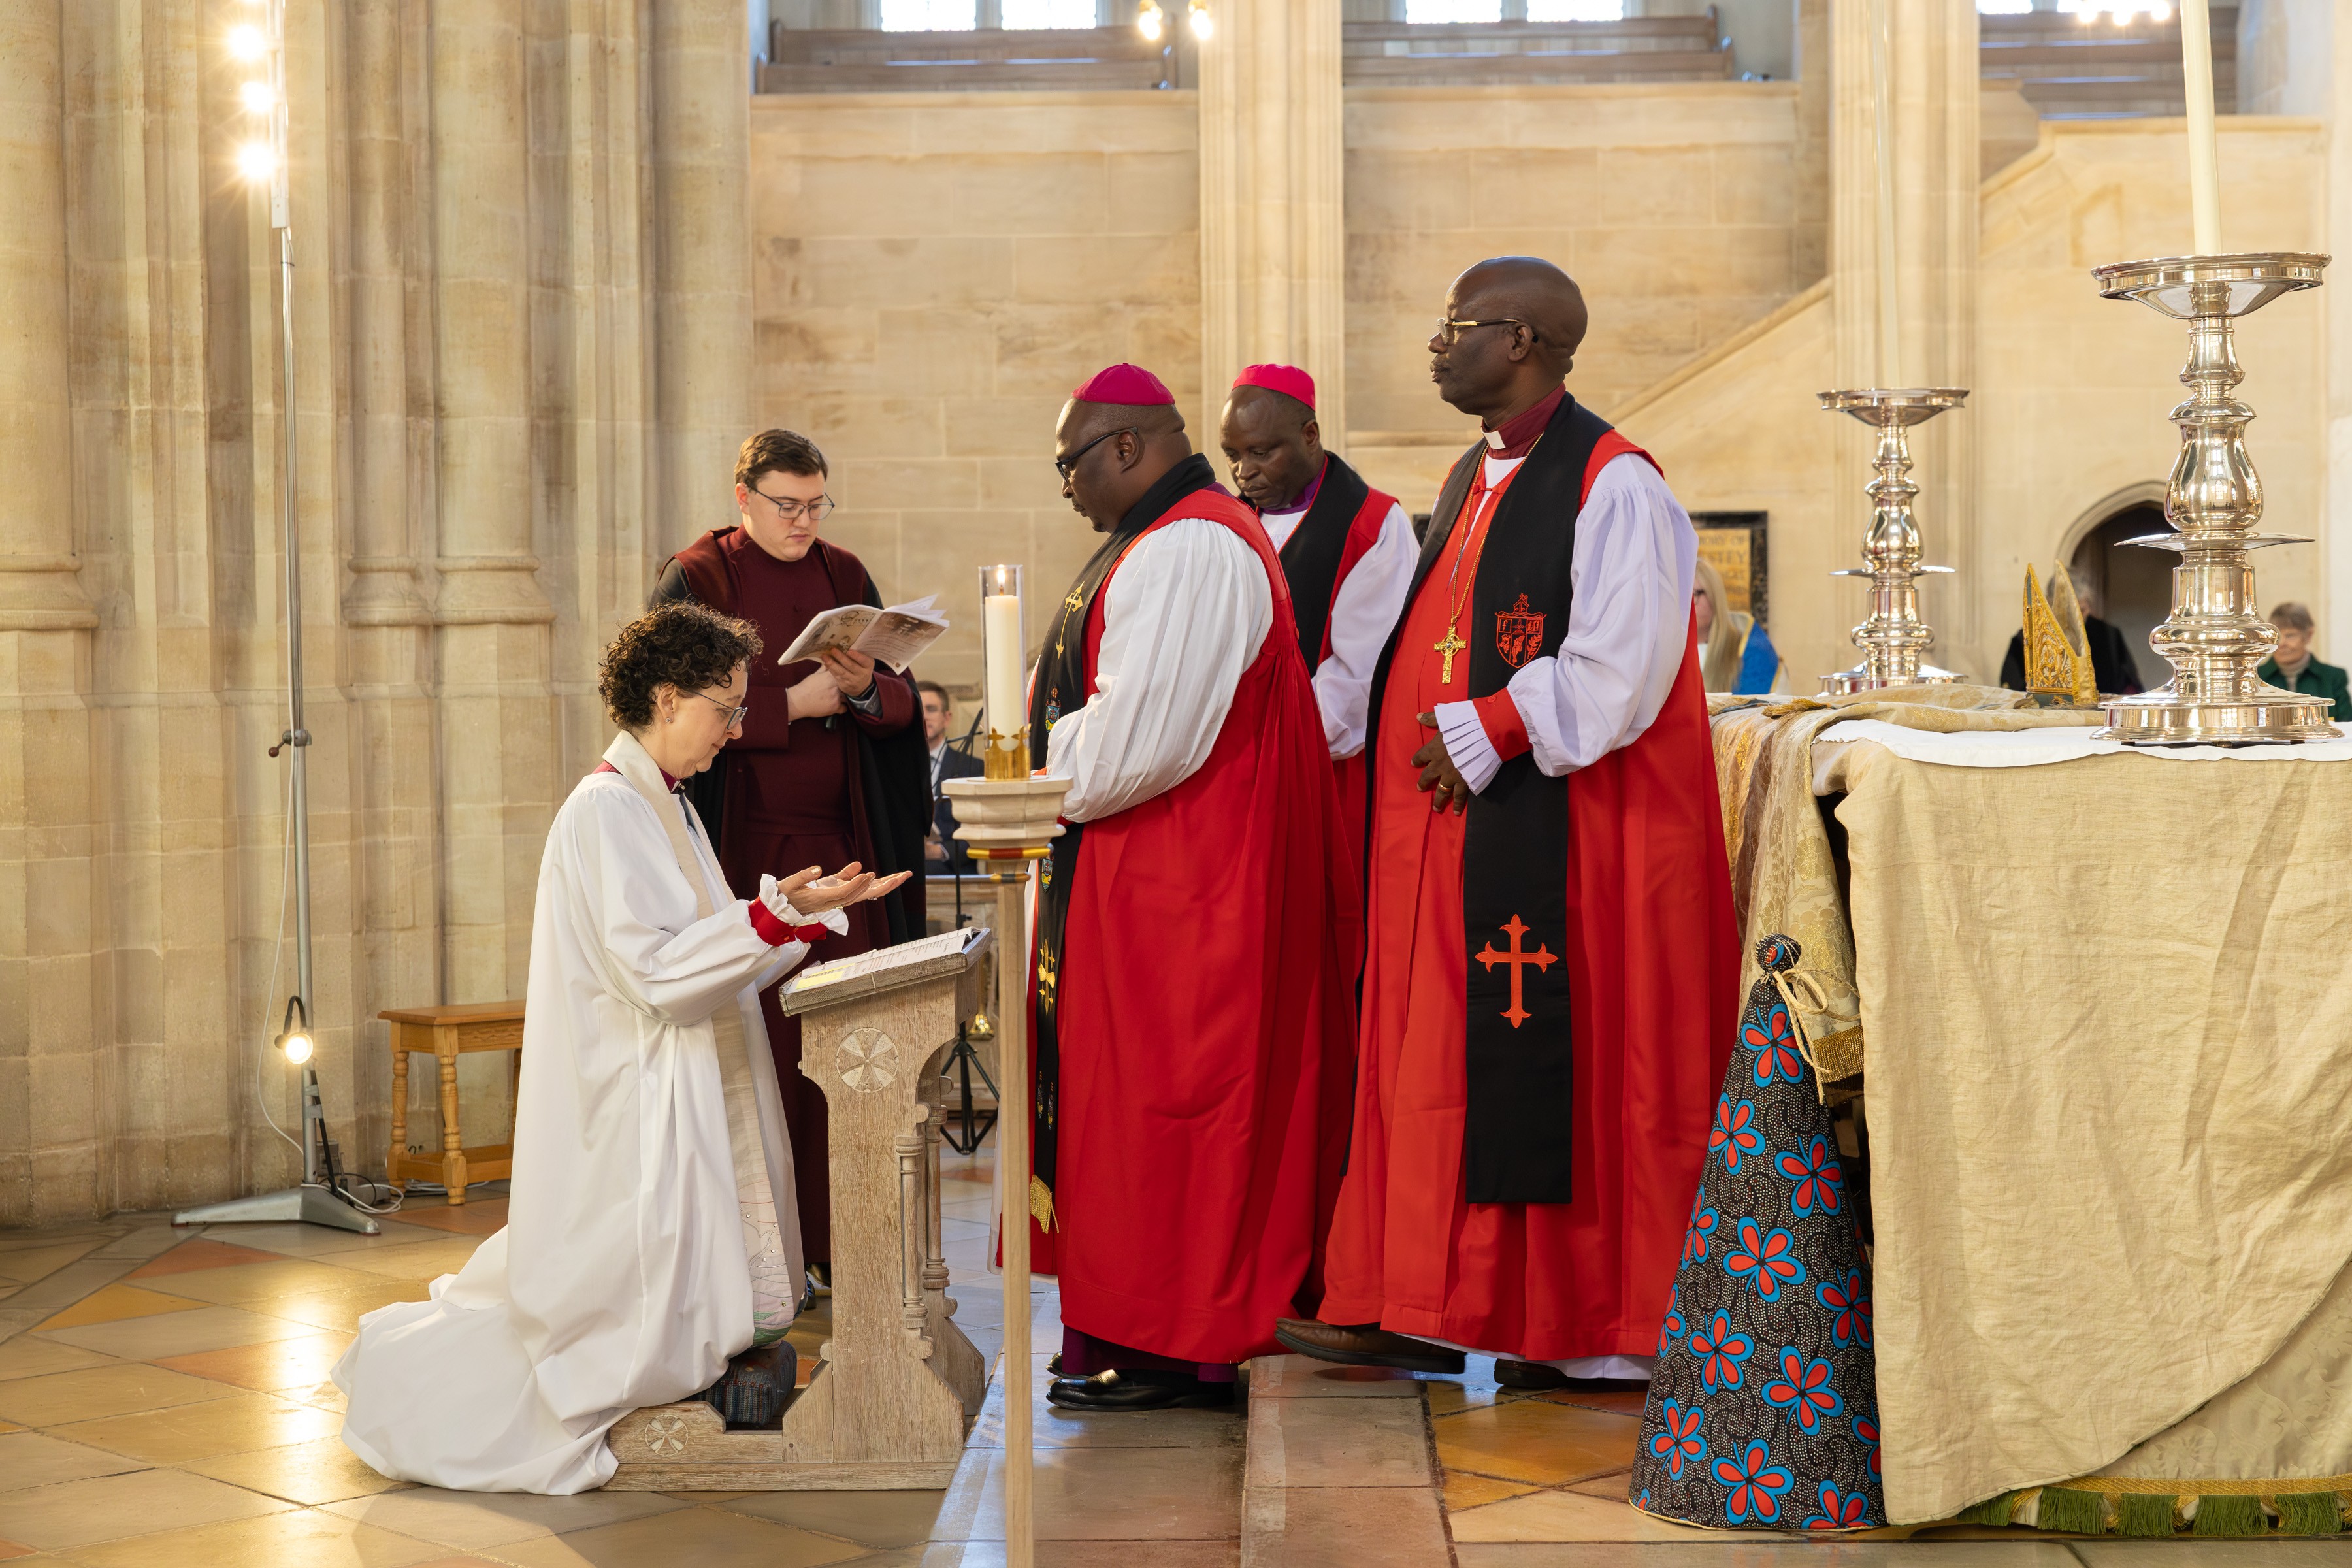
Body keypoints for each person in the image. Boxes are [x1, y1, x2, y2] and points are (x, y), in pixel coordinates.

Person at [1276, 257, 1740, 1392]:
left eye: (1459, 326)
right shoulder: (1476, 474)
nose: (1439, 345)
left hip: (1567, 845)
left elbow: (1624, 669)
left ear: (1524, 339)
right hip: (1458, 838)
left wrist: (1488, 726)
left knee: (1564, 1074)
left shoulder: (1615, 484)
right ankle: (1435, 1299)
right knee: (1438, 1074)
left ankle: (1588, 1325)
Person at [335, 603, 906, 1493]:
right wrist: (769, 916)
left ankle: (706, 1358)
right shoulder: (607, 810)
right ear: (667, 698)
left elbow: (706, 949)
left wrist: (791, 915)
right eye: (725, 707)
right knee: (614, 1297)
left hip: (678, 1069)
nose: (737, 728)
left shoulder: (663, 805)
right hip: (636, 1085)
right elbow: (656, 972)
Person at [1026, 363, 1357, 1413]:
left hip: (1191, 886)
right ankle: (1136, 1331)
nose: (1067, 488)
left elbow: (1141, 742)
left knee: (1175, 1117)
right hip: (1160, 876)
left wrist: (1022, 773)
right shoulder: (1165, 540)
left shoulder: (1192, 548)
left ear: (1128, 448)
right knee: (1134, 1117)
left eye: (1071, 464)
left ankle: (1177, 1343)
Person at [648, 429, 931, 1277]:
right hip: (742, 858)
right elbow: (669, 707)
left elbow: (899, 705)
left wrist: (865, 690)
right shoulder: (698, 579)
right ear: (744, 499)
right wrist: (793, 707)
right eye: (787, 505)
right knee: (763, 1062)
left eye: (815, 505)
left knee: (854, 1047)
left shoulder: (845, 576)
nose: (804, 521)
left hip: (846, 851)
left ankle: (855, 1252)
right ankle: (764, 1262)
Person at [1218, 364, 1418, 873]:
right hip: (1228, 782)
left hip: (1323, 779)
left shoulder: (1372, 526)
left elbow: (1361, 681)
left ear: (1310, 435)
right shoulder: (1223, 526)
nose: (1244, 472)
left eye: (1262, 452)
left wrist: (1244, 748)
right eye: (1233, 455)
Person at [1998, 567, 2142, 696]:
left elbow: (2130, 688)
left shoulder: (2110, 636)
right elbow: (2011, 694)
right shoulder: (2026, 639)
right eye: (2070, 613)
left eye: (2082, 611)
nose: (2077, 620)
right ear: (2050, 604)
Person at [1693, 556, 1782, 694]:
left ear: (1714, 596)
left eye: (1694, 594)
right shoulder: (1665, 650)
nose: (1688, 605)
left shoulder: (1748, 650)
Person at [920, 679, 983, 875]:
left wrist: (938, 851)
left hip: (954, 872)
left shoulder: (973, 767)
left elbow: (984, 830)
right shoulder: (893, 768)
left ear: (947, 718)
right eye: (917, 710)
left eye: (931, 709)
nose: (923, 717)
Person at [2258, 600, 2352, 719]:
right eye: (2277, 636)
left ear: (2309, 635)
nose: (2281, 644)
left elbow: (2347, 726)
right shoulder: (2256, 678)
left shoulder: (2333, 677)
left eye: (2290, 635)